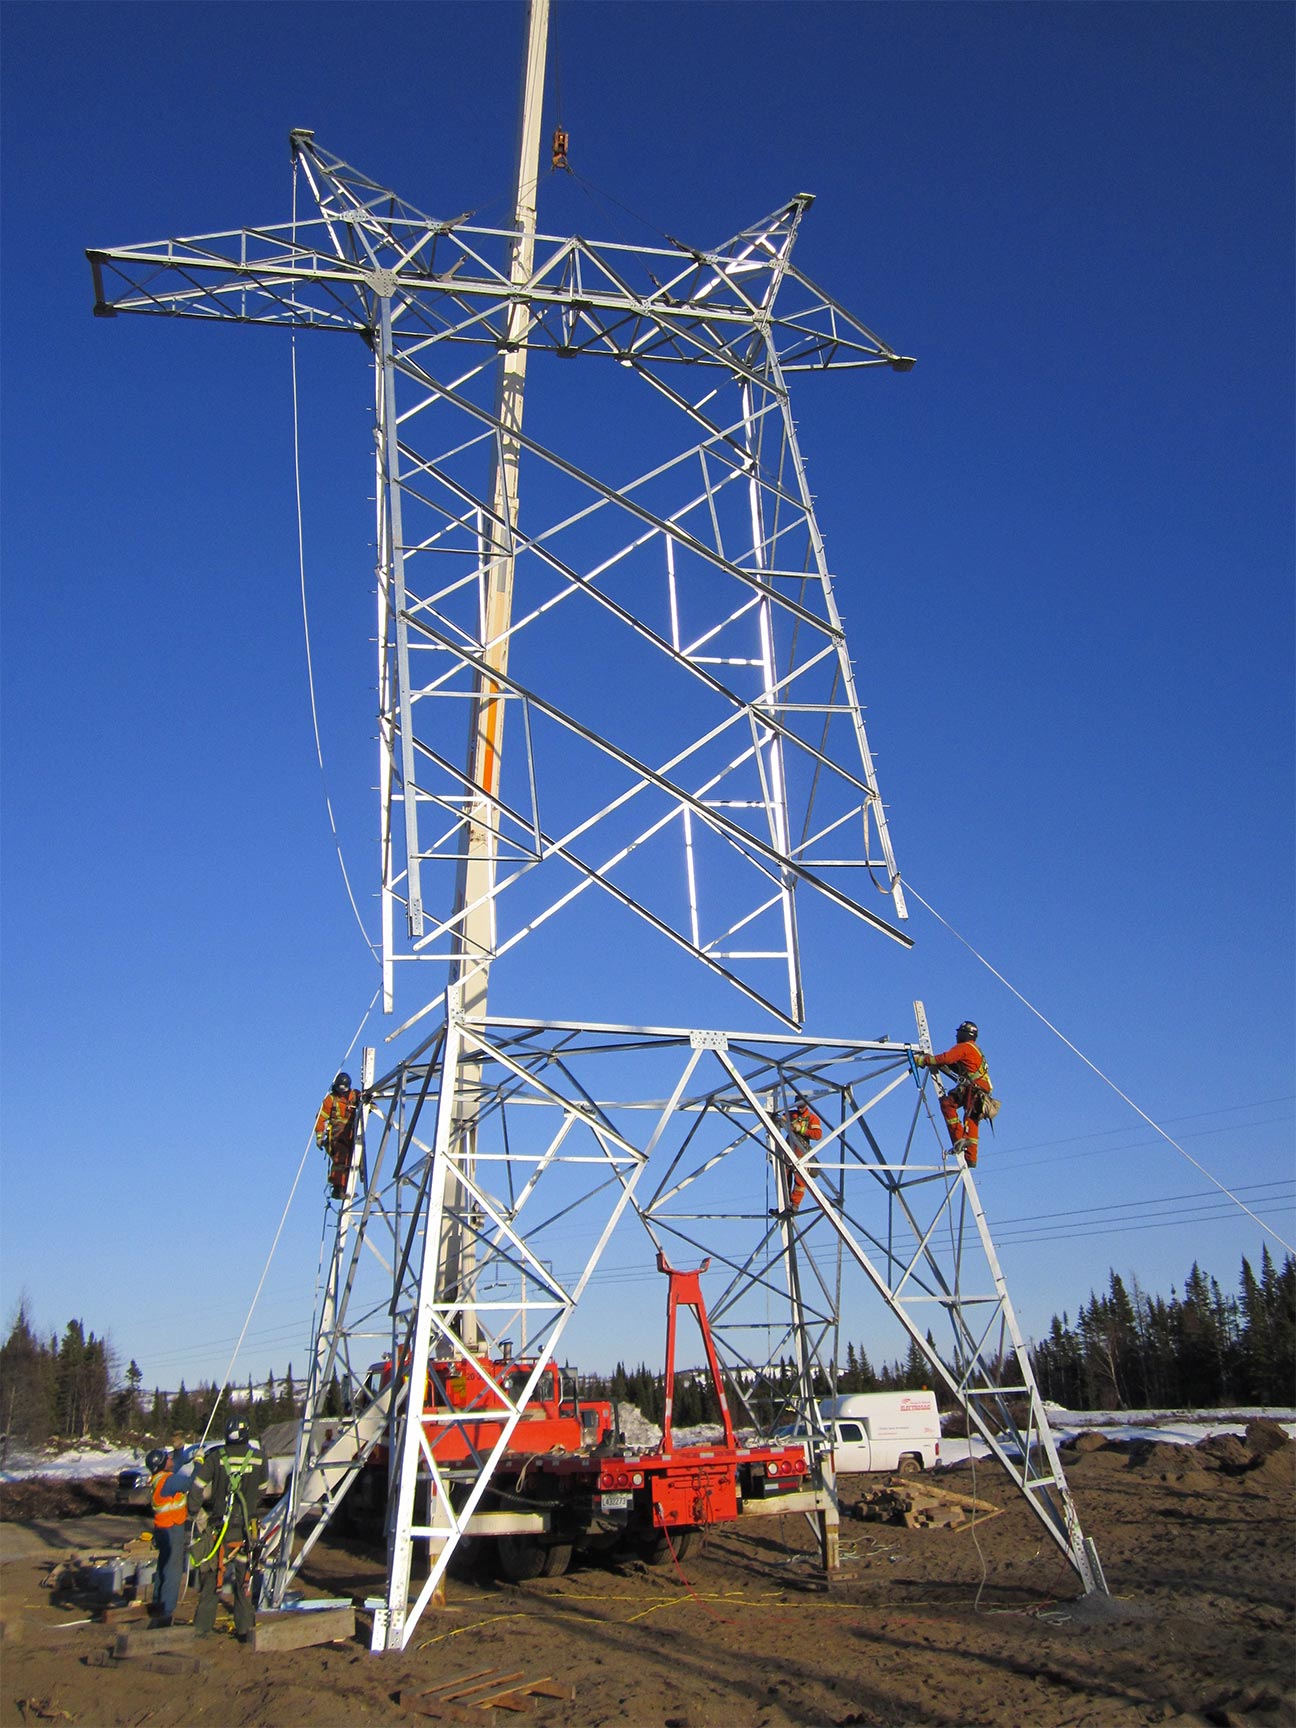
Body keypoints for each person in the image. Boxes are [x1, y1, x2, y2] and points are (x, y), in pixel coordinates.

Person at [187, 1417, 268, 1641]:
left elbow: (196, 1487)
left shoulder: (215, 1458)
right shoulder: (260, 1458)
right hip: (246, 1530)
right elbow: (262, 1490)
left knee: (212, 1578)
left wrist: (196, 1512)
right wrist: (249, 1505)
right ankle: (244, 1628)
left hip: (218, 1530)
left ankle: (202, 1628)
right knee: (244, 1579)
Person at [915, 1021, 993, 1167]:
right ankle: (971, 1158)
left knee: (947, 1103)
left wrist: (924, 1060)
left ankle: (958, 1138)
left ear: (964, 1033)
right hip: (981, 1089)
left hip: (973, 1088)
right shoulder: (975, 1050)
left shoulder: (964, 1047)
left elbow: (946, 1058)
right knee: (972, 1120)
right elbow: (957, 1066)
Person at [146, 1446, 188, 1628]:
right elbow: (190, 1482)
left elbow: (176, 1463)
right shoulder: (168, 1482)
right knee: (172, 1572)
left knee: (163, 1568)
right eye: (168, 1458)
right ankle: (166, 1612)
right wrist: (201, 1464)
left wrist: (179, 1450)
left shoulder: (159, 1479)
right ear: (162, 1464)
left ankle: (158, 1605)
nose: (171, 1459)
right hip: (172, 1529)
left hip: (163, 1530)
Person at [771, 1095, 822, 1216]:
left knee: (800, 1178)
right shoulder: (792, 1114)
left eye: (801, 1106)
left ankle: (794, 1204)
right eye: (798, 1106)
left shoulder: (811, 1118)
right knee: (784, 1175)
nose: (799, 1109)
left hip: (802, 1150)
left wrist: (802, 1130)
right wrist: (775, 1118)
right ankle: (784, 1204)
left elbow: (818, 1134)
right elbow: (781, 1118)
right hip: (789, 1148)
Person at [315, 1070, 361, 1199]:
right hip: (337, 1135)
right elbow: (320, 1118)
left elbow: (363, 1099)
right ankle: (338, 1189)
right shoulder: (330, 1099)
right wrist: (320, 1137)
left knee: (354, 1159)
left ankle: (348, 1187)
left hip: (352, 1133)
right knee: (341, 1159)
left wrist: (369, 1102)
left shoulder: (354, 1095)